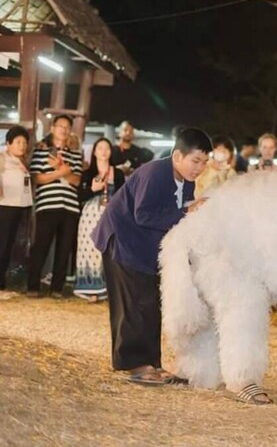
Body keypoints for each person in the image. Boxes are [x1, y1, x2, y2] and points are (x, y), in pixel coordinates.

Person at [91, 127, 211, 386]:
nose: (199, 168)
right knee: (133, 303)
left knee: (150, 302)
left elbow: (177, 213)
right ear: (178, 155)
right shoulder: (155, 172)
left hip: (144, 246)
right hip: (122, 240)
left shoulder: (186, 180)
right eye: (195, 160)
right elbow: (143, 214)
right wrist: (188, 212)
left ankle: (153, 363)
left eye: (204, 162)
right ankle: (135, 364)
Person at [27, 114, 83, 298]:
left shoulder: (75, 154)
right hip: (47, 204)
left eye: (67, 127)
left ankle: (57, 288)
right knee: (41, 245)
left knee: (64, 248)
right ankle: (33, 286)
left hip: (70, 206)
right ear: (52, 128)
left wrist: (65, 172)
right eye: (60, 126)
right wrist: (61, 172)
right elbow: (37, 178)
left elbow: (76, 180)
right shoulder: (41, 152)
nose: (64, 130)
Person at [74, 138, 125, 302]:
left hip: (111, 214)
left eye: (107, 148)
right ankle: (90, 289)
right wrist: (92, 189)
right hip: (90, 214)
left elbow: (124, 196)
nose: (103, 151)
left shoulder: (118, 173)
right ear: (94, 151)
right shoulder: (87, 173)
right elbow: (79, 196)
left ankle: (109, 289)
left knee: (109, 250)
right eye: (100, 148)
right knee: (89, 249)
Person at [0, 126, 32, 291]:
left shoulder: (23, 161)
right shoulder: (2, 157)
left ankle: (2, 281)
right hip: (4, 206)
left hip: (18, 207)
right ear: (8, 144)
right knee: (2, 243)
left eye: (24, 142)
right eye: (18, 142)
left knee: (8, 244)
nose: (22, 145)